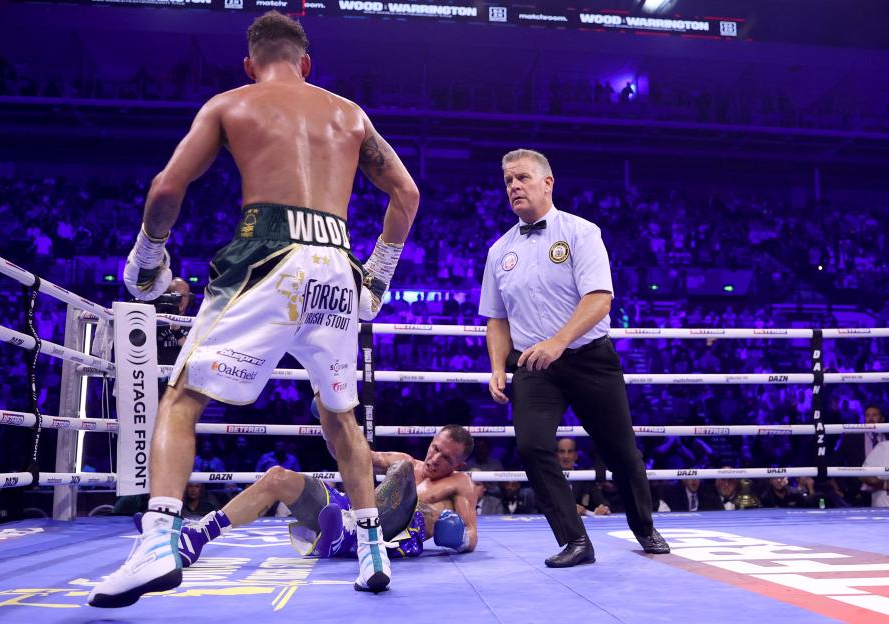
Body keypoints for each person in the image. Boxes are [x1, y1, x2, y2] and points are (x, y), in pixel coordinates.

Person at [90, 11, 419, 607]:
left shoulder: (230, 103)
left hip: (267, 255)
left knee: (182, 396)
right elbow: (406, 193)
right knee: (339, 416)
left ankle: (159, 541)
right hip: (337, 267)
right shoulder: (349, 113)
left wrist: (146, 257)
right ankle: (373, 552)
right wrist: (377, 278)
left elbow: (166, 187)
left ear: (250, 64)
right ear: (307, 64)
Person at [479, 148, 668, 568]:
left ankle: (644, 527)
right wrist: (496, 366)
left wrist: (559, 342)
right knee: (531, 445)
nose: (514, 186)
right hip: (532, 366)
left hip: (588, 358)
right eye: (508, 180)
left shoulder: (581, 232)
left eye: (522, 178)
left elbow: (600, 300)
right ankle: (575, 540)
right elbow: (496, 318)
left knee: (620, 450)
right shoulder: (499, 251)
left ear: (547, 183)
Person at [138, 424, 478, 566]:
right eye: (435, 448)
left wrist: (458, 537)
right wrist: (335, 432)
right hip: (353, 513)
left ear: (459, 462)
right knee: (278, 478)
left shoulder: (460, 483)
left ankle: (346, 531)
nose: (434, 459)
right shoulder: (407, 462)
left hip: (401, 534)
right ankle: (198, 537)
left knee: (421, 505)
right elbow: (360, 458)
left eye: (446, 457)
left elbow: (472, 536)